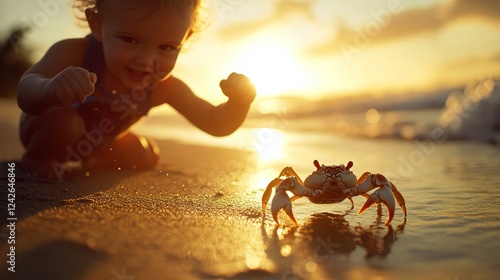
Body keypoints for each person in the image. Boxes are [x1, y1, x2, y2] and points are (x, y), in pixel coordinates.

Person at [17, 0, 256, 180]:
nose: (146, 60)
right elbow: (26, 89)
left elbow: (214, 122)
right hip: (45, 128)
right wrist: (48, 89)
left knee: (143, 155)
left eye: (166, 47)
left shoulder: (164, 87)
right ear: (98, 26)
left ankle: (95, 158)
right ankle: (38, 159)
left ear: (184, 39)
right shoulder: (76, 53)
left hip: (97, 142)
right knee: (65, 124)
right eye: (130, 40)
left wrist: (239, 103)